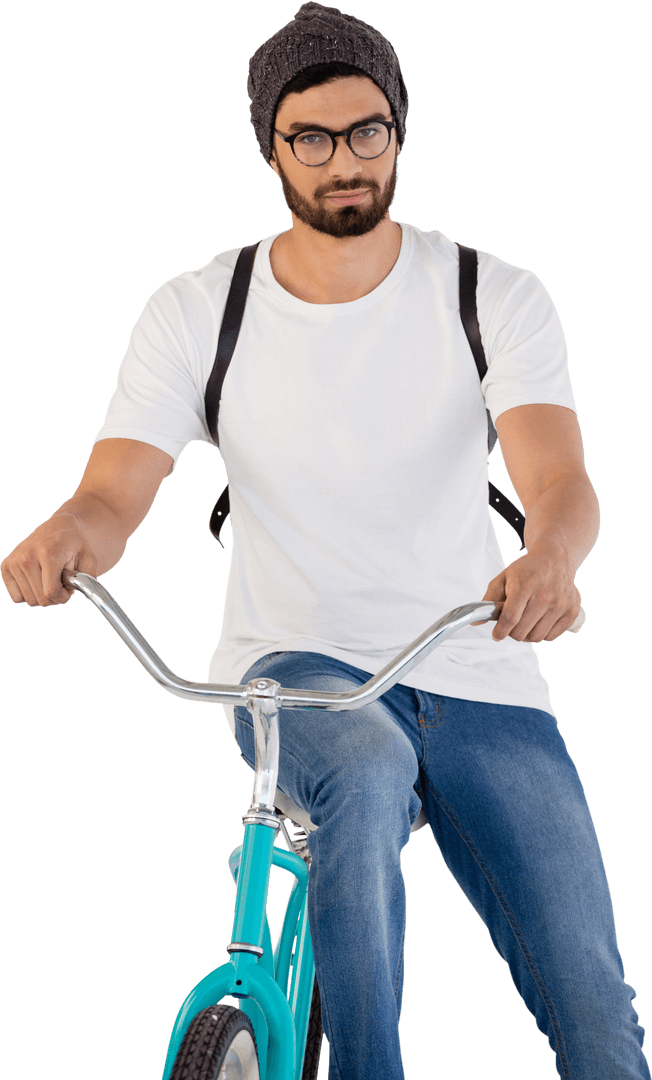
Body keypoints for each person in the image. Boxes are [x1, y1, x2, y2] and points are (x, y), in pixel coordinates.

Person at [1, 4, 648, 1078]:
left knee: (594, 1003)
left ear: (399, 132)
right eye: (311, 137)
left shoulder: (493, 295)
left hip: (477, 663)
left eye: (366, 132)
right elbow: (114, 493)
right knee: (367, 764)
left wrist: (550, 559)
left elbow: (558, 481)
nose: (341, 161)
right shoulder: (199, 310)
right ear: (270, 148)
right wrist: (69, 535)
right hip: (296, 672)